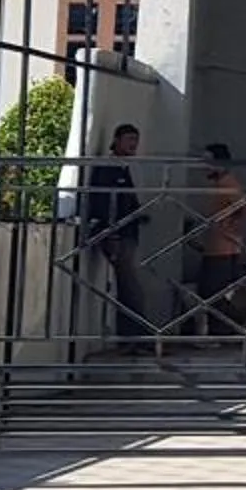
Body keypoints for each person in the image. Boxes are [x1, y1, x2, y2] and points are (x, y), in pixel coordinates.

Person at [79, 123, 150, 347]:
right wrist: (111, 234)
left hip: (126, 231)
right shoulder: (108, 167)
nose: (133, 145)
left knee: (129, 285)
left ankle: (132, 337)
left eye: (135, 140)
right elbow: (104, 202)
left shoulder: (122, 167)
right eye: (129, 139)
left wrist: (138, 215)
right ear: (117, 140)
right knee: (130, 287)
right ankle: (135, 337)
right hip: (118, 235)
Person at [190, 142, 246, 325]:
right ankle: (231, 326)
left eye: (208, 161)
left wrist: (233, 228)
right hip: (215, 245)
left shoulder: (227, 183)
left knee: (212, 292)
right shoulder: (218, 183)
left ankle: (241, 323)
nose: (205, 166)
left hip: (224, 248)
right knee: (209, 292)